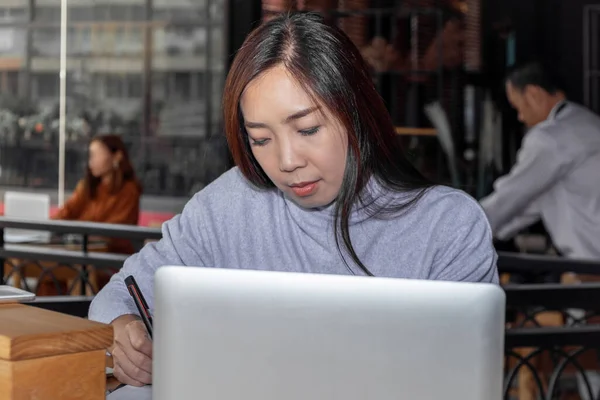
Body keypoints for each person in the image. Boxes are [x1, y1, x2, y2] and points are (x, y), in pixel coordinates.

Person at [91, 13, 498, 391]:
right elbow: (117, 294)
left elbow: (461, 382)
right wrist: (123, 329)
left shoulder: (448, 227)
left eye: (307, 129)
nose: (286, 162)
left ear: (356, 111)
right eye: (261, 139)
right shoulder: (228, 205)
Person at [480, 62, 600, 260]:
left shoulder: (550, 138)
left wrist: (458, 229)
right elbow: (530, 203)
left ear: (533, 94)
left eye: (518, 107)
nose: (520, 117)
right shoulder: (585, 121)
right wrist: (487, 231)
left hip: (592, 263)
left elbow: (510, 197)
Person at [53, 134, 142, 254]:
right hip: (80, 252)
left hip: (110, 260)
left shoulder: (129, 190)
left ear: (117, 156)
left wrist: (82, 235)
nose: (92, 161)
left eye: (97, 155)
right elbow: (66, 212)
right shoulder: (86, 187)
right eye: (90, 156)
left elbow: (116, 233)